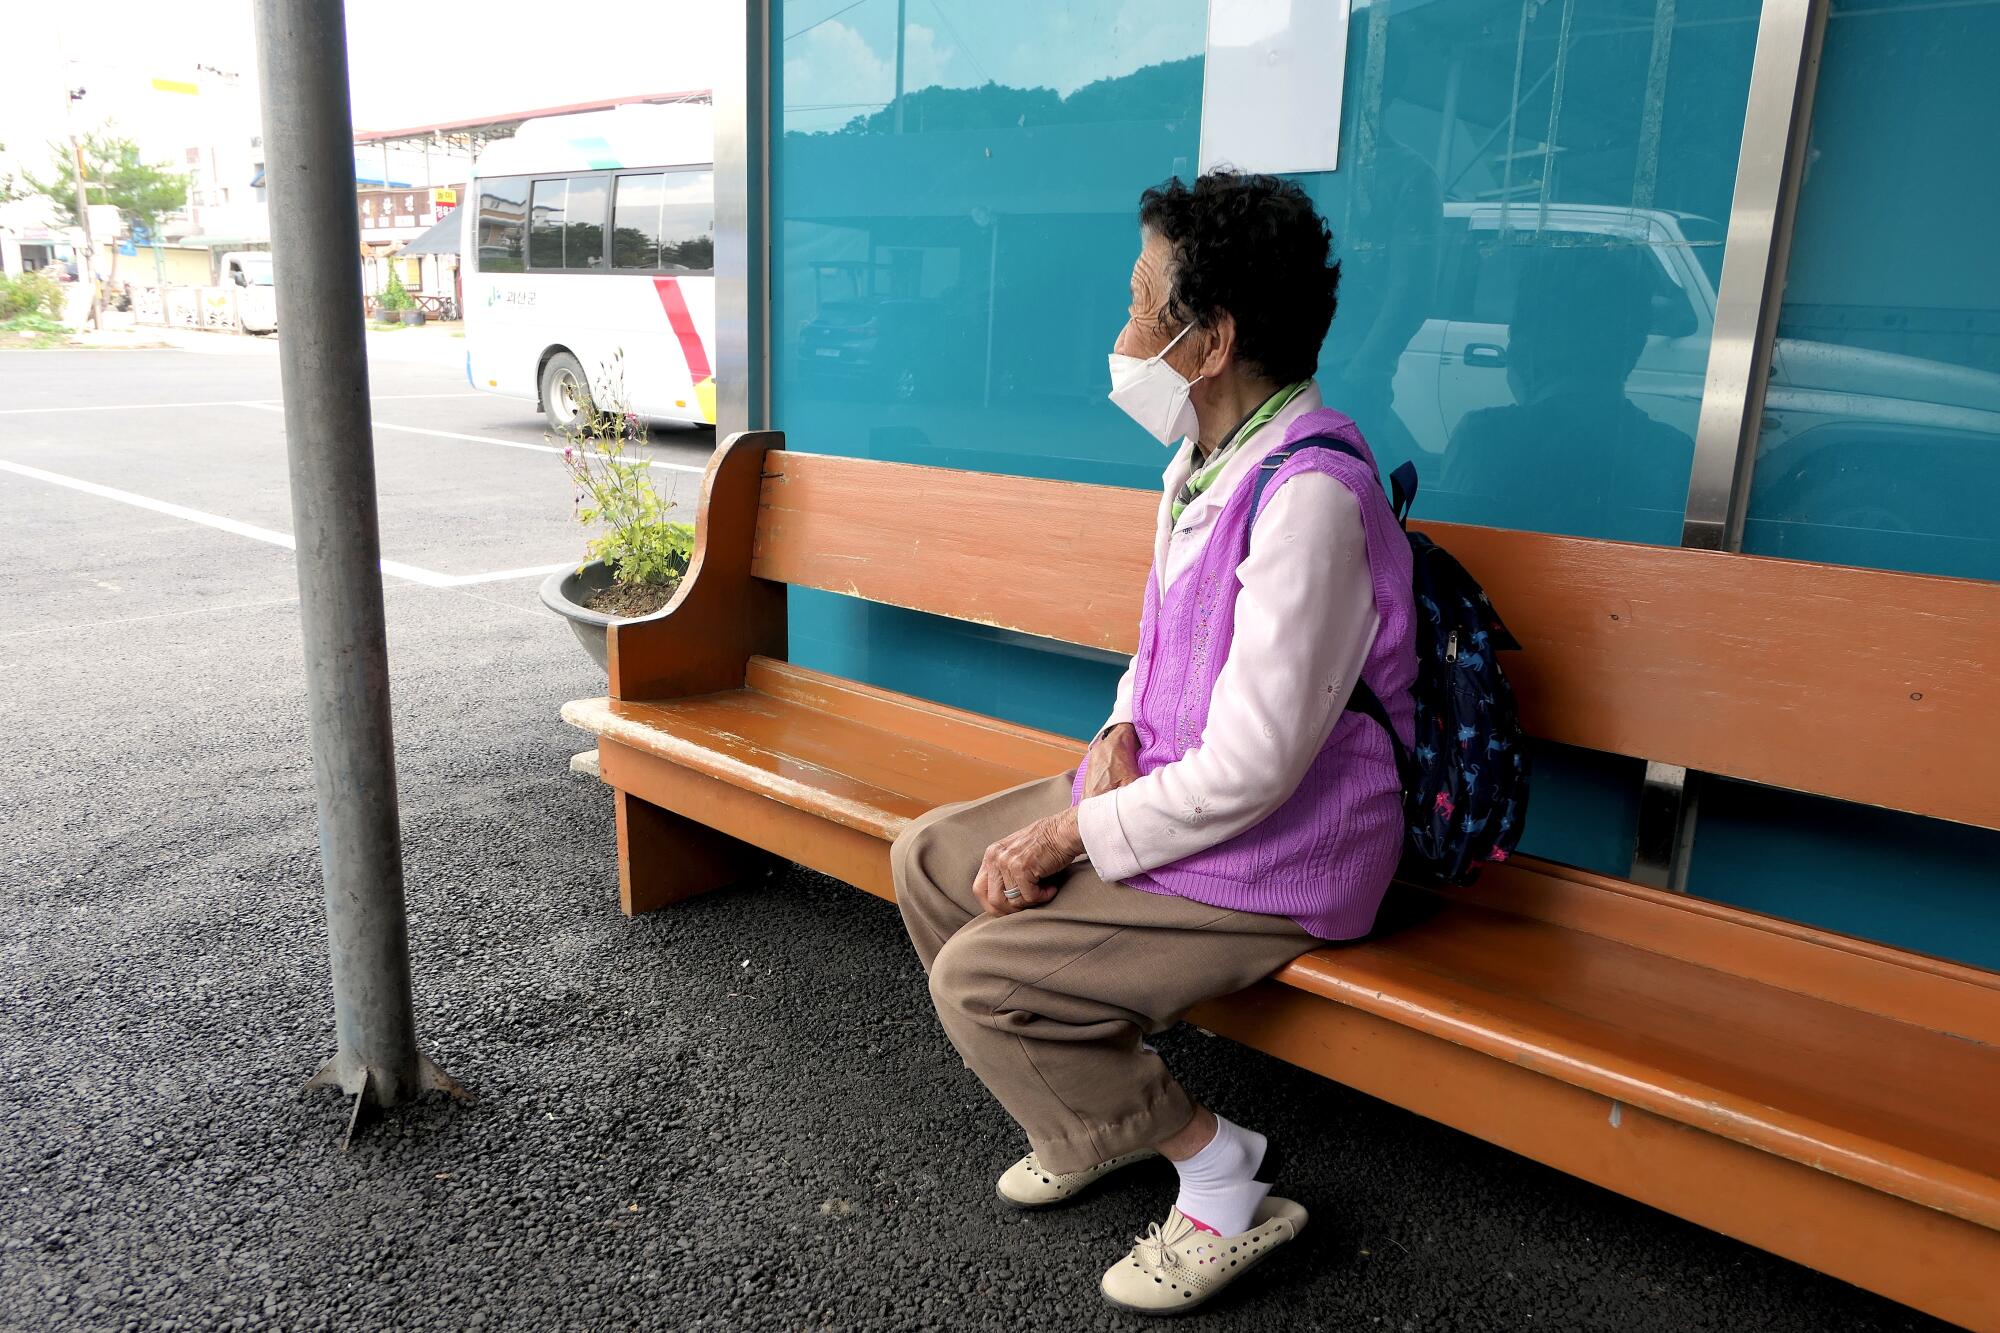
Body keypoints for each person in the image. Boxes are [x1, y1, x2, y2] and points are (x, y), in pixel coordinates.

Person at [891, 170, 1417, 1314]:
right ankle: (1089, 1119)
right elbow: (1157, 640)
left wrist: (1076, 826)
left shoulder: (1309, 500)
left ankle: (1218, 1169)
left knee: (983, 977)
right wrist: (1122, 725)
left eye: (1142, 299)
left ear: (1210, 337)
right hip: (1180, 793)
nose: (1122, 330)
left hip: (1288, 848)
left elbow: (1256, 770)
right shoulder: (1199, 461)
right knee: (928, 858)